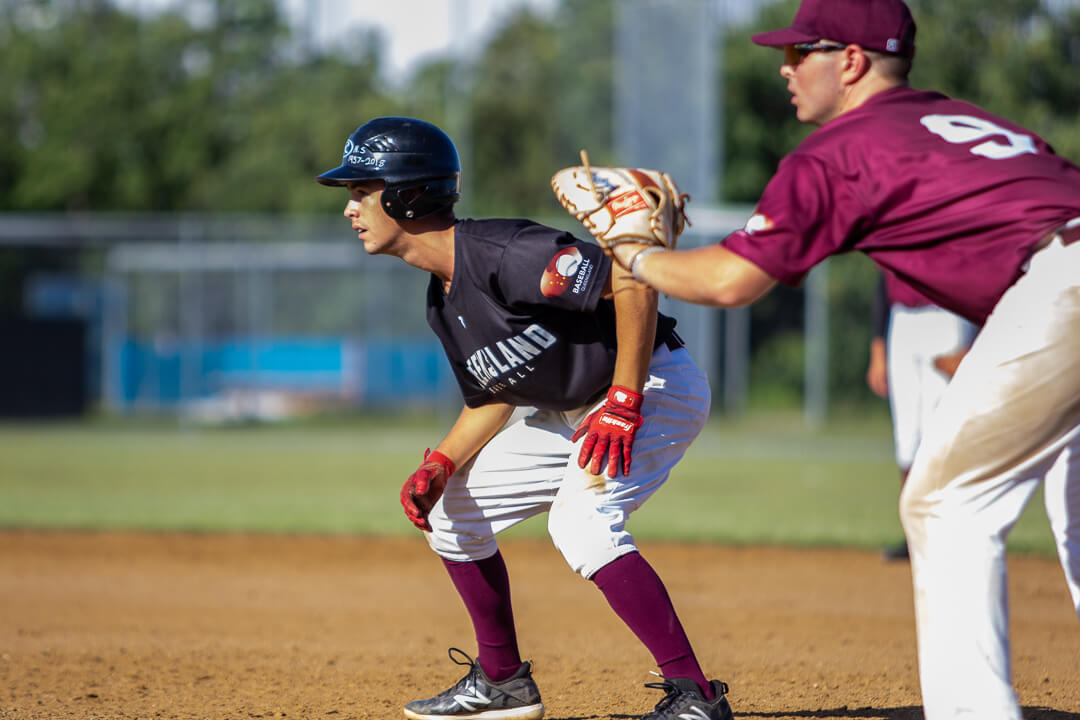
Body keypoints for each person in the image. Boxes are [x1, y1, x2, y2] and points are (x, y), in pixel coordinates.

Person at [597, 0, 1080, 717]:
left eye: (800, 53)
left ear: (850, 62)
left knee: (946, 502)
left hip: (1062, 283)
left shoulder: (839, 150)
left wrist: (634, 252)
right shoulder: (968, 122)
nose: (785, 68)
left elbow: (731, 281)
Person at [314, 117, 733, 720]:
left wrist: (624, 398)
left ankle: (696, 698)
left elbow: (633, 282)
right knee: (453, 511)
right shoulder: (442, 296)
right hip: (574, 409)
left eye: (362, 191)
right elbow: (492, 397)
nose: (351, 209)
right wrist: (440, 463)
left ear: (407, 196)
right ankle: (502, 684)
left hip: (652, 384)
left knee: (582, 523)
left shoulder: (506, 254)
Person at [865, 270, 978, 561]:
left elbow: (983, 268)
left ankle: (946, 533)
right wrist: (878, 348)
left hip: (947, 315)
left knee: (939, 435)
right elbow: (882, 280)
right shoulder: (891, 224)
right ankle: (914, 536)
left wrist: (976, 339)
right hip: (902, 318)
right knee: (906, 438)